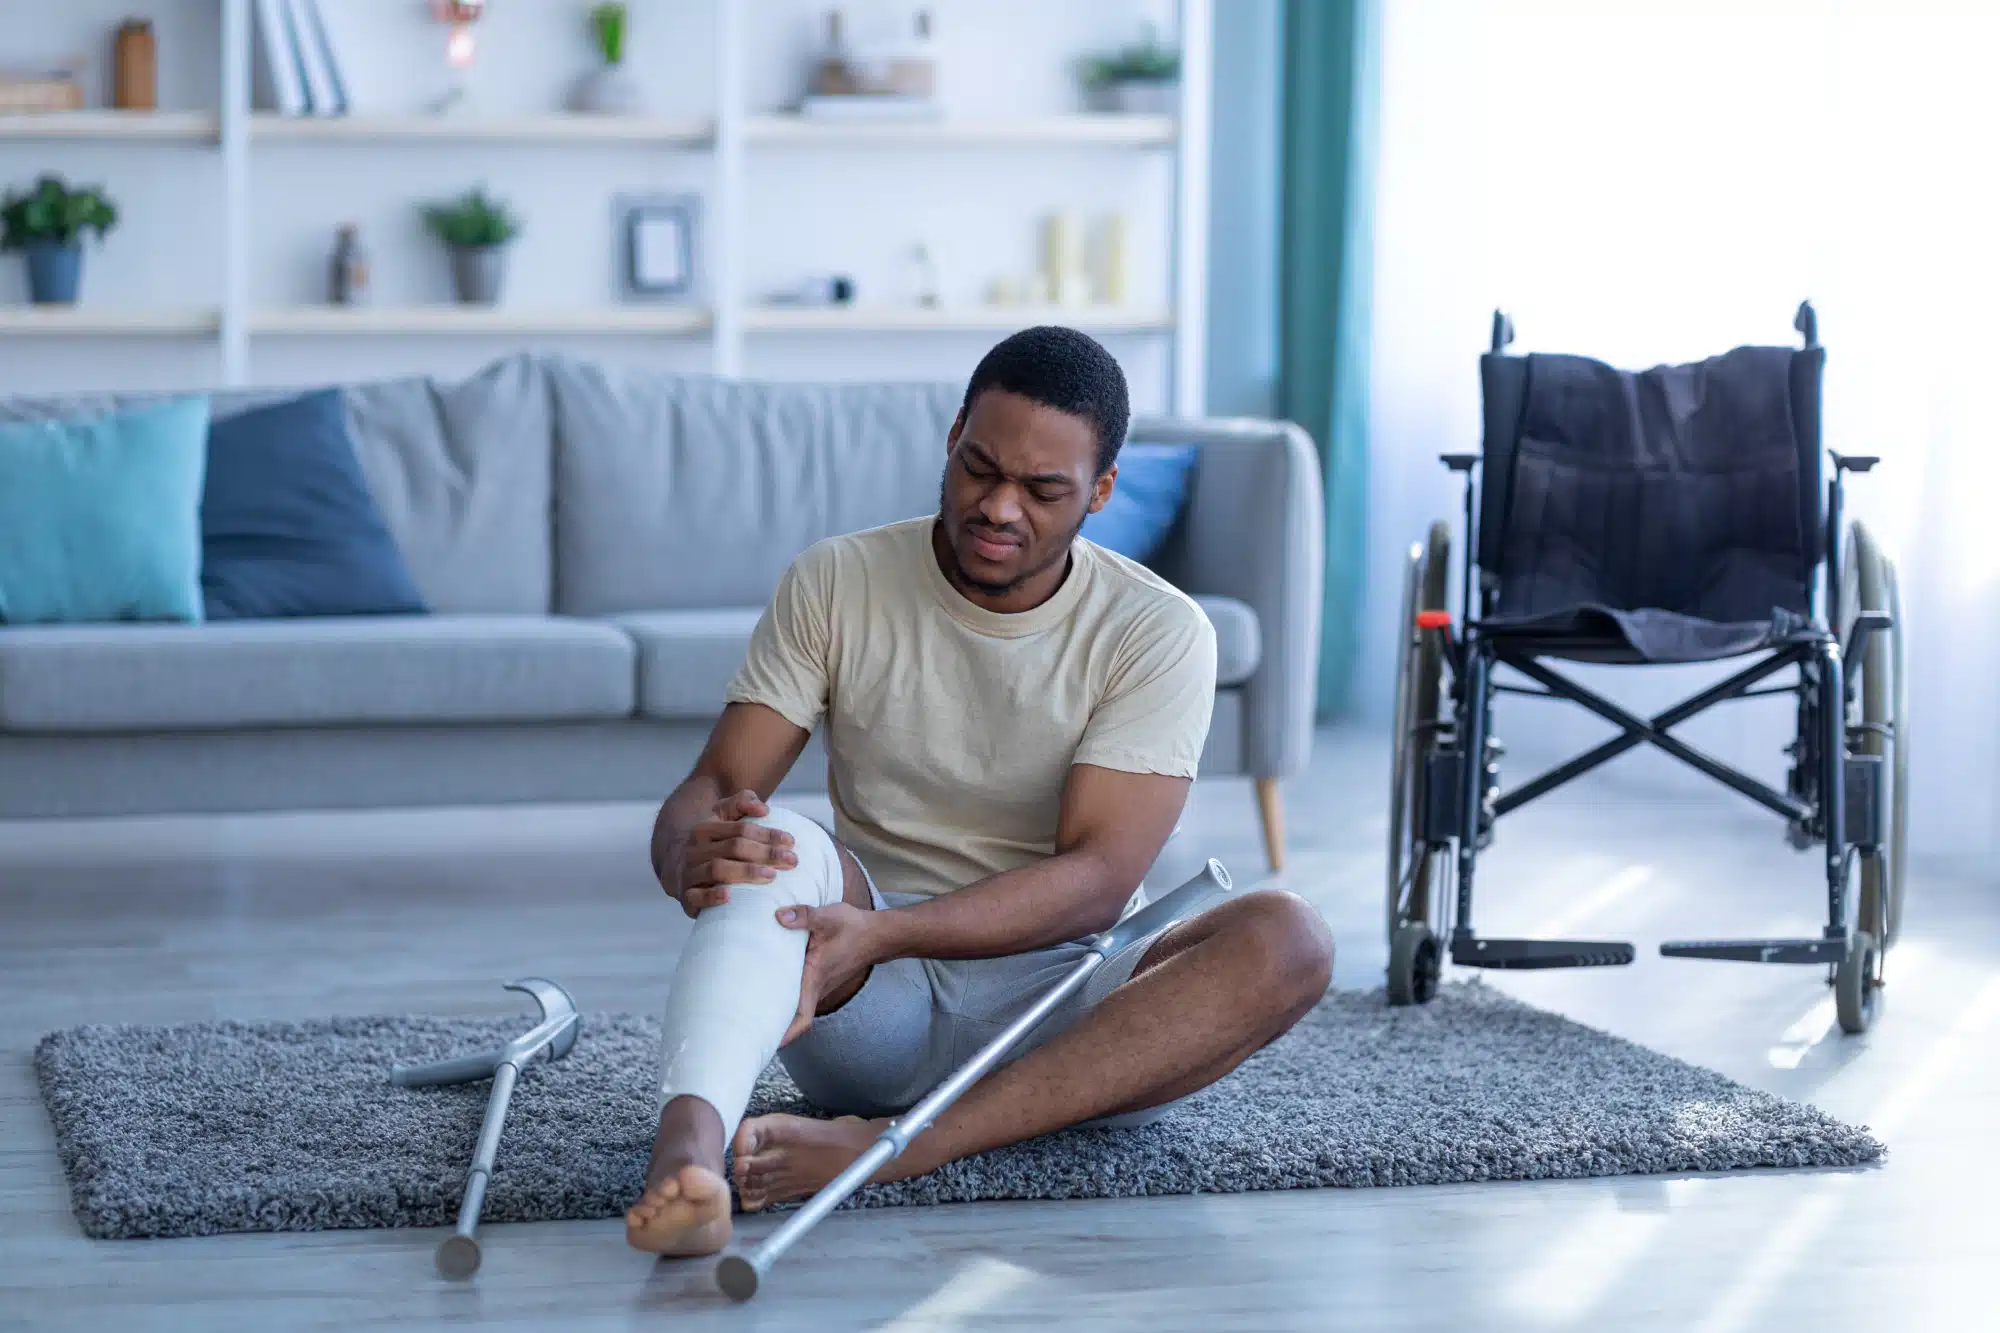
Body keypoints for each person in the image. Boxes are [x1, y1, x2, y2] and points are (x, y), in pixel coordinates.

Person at [625, 326, 1335, 1257]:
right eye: (979, 469)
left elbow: (1097, 877)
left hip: (1065, 1013)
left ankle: (893, 1150)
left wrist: (888, 930)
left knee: (1292, 937)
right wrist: (692, 849)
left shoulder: (1158, 630)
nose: (998, 508)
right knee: (776, 838)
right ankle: (687, 1157)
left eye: (1043, 491)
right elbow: (716, 786)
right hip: (863, 995)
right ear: (953, 435)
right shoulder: (838, 579)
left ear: (1102, 491)